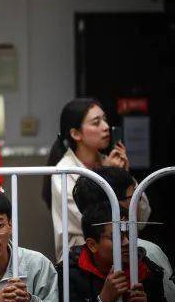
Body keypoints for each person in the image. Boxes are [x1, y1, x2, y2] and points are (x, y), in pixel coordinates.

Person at [44, 98, 147, 261]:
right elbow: (93, 223)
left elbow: (142, 217)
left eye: (105, 120)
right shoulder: (64, 171)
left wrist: (123, 177)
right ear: (75, 134)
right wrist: (110, 177)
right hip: (80, 257)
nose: (106, 127)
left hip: (119, 249)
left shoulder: (110, 161)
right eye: (96, 122)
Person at [72, 170, 175, 302]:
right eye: (132, 197)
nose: (138, 202)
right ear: (112, 202)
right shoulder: (72, 269)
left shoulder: (145, 262)